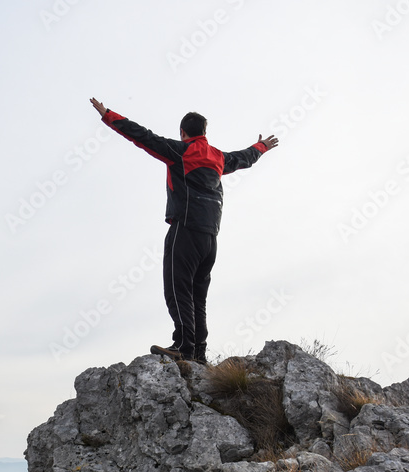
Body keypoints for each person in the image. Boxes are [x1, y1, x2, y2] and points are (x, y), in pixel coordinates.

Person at [90, 97, 278, 364]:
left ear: (183, 133)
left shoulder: (181, 151)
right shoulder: (219, 158)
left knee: (177, 290)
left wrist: (108, 114)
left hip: (186, 230)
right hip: (210, 238)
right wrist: (262, 146)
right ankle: (199, 353)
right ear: (204, 133)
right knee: (197, 297)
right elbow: (245, 157)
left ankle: (183, 347)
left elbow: (142, 136)